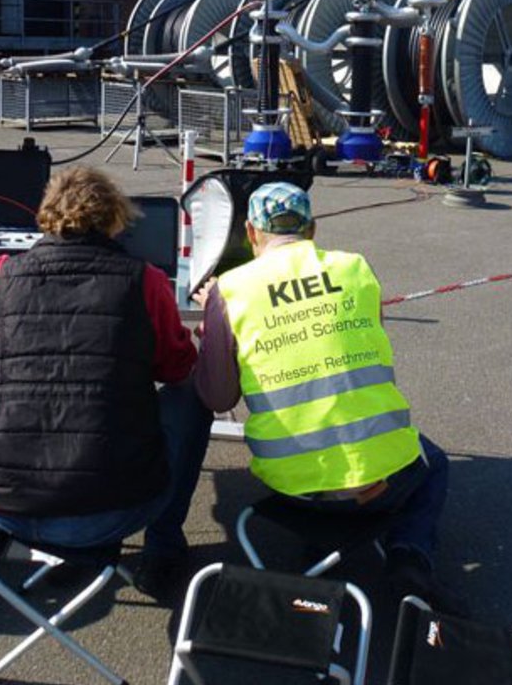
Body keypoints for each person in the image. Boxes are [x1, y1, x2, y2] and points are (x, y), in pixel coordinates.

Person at [0, 165, 211, 595]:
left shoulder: (3, 276)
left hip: (4, 504)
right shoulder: (148, 281)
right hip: (115, 506)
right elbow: (177, 368)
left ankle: (74, 546)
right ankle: (161, 547)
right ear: (115, 221)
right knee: (191, 398)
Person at [194, 181, 462, 611]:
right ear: (313, 229)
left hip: (294, 487)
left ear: (250, 232)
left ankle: (318, 553)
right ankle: (410, 556)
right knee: (434, 464)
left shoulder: (231, 289)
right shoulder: (356, 268)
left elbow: (217, 395)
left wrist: (215, 329)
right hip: (387, 477)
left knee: (316, 464)